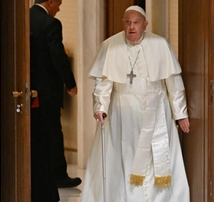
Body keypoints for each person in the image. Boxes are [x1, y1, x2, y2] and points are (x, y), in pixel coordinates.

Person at [81, 5, 191, 202]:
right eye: (128, 22)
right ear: (123, 23)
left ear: (145, 24)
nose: (131, 27)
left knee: (154, 157)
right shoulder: (110, 45)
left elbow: (174, 83)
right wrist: (100, 107)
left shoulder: (160, 44)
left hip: (156, 108)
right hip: (123, 112)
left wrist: (180, 113)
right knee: (126, 158)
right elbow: (103, 83)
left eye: (136, 23)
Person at [30, 0, 81, 201]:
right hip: (47, 91)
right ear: (50, 2)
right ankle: (58, 175)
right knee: (52, 132)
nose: (59, 8)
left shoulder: (23, 18)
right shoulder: (51, 23)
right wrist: (70, 83)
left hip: (30, 90)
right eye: (58, 3)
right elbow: (57, 56)